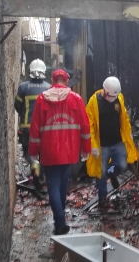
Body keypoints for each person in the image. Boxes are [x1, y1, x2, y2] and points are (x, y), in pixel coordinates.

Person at [28, 69, 91, 235]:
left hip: (49, 152)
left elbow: (35, 128)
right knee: (63, 186)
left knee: (53, 187)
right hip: (69, 151)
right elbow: (85, 127)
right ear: (67, 80)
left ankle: (60, 221)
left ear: (52, 79)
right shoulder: (76, 99)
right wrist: (86, 149)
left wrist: (33, 152)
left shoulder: (42, 99)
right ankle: (60, 220)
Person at [86, 76, 139, 209]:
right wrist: (92, 145)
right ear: (104, 91)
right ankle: (103, 198)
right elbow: (89, 125)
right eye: (110, 96)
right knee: (100, 172)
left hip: (117, 141)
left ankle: (112, 172)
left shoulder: (118, 98)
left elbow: (124, 118)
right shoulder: (94, 102)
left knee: (122, 164)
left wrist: (129, 135)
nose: (112, 99)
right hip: (102, 144)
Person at [14, 58, 51, 189]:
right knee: (44, 152)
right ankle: (42, 177)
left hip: (26, 128)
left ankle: (34, 165)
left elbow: (17, 106)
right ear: (43, 71)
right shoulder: (49, 88)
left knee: (28, 151)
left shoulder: (23, 87)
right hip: (44, 128)